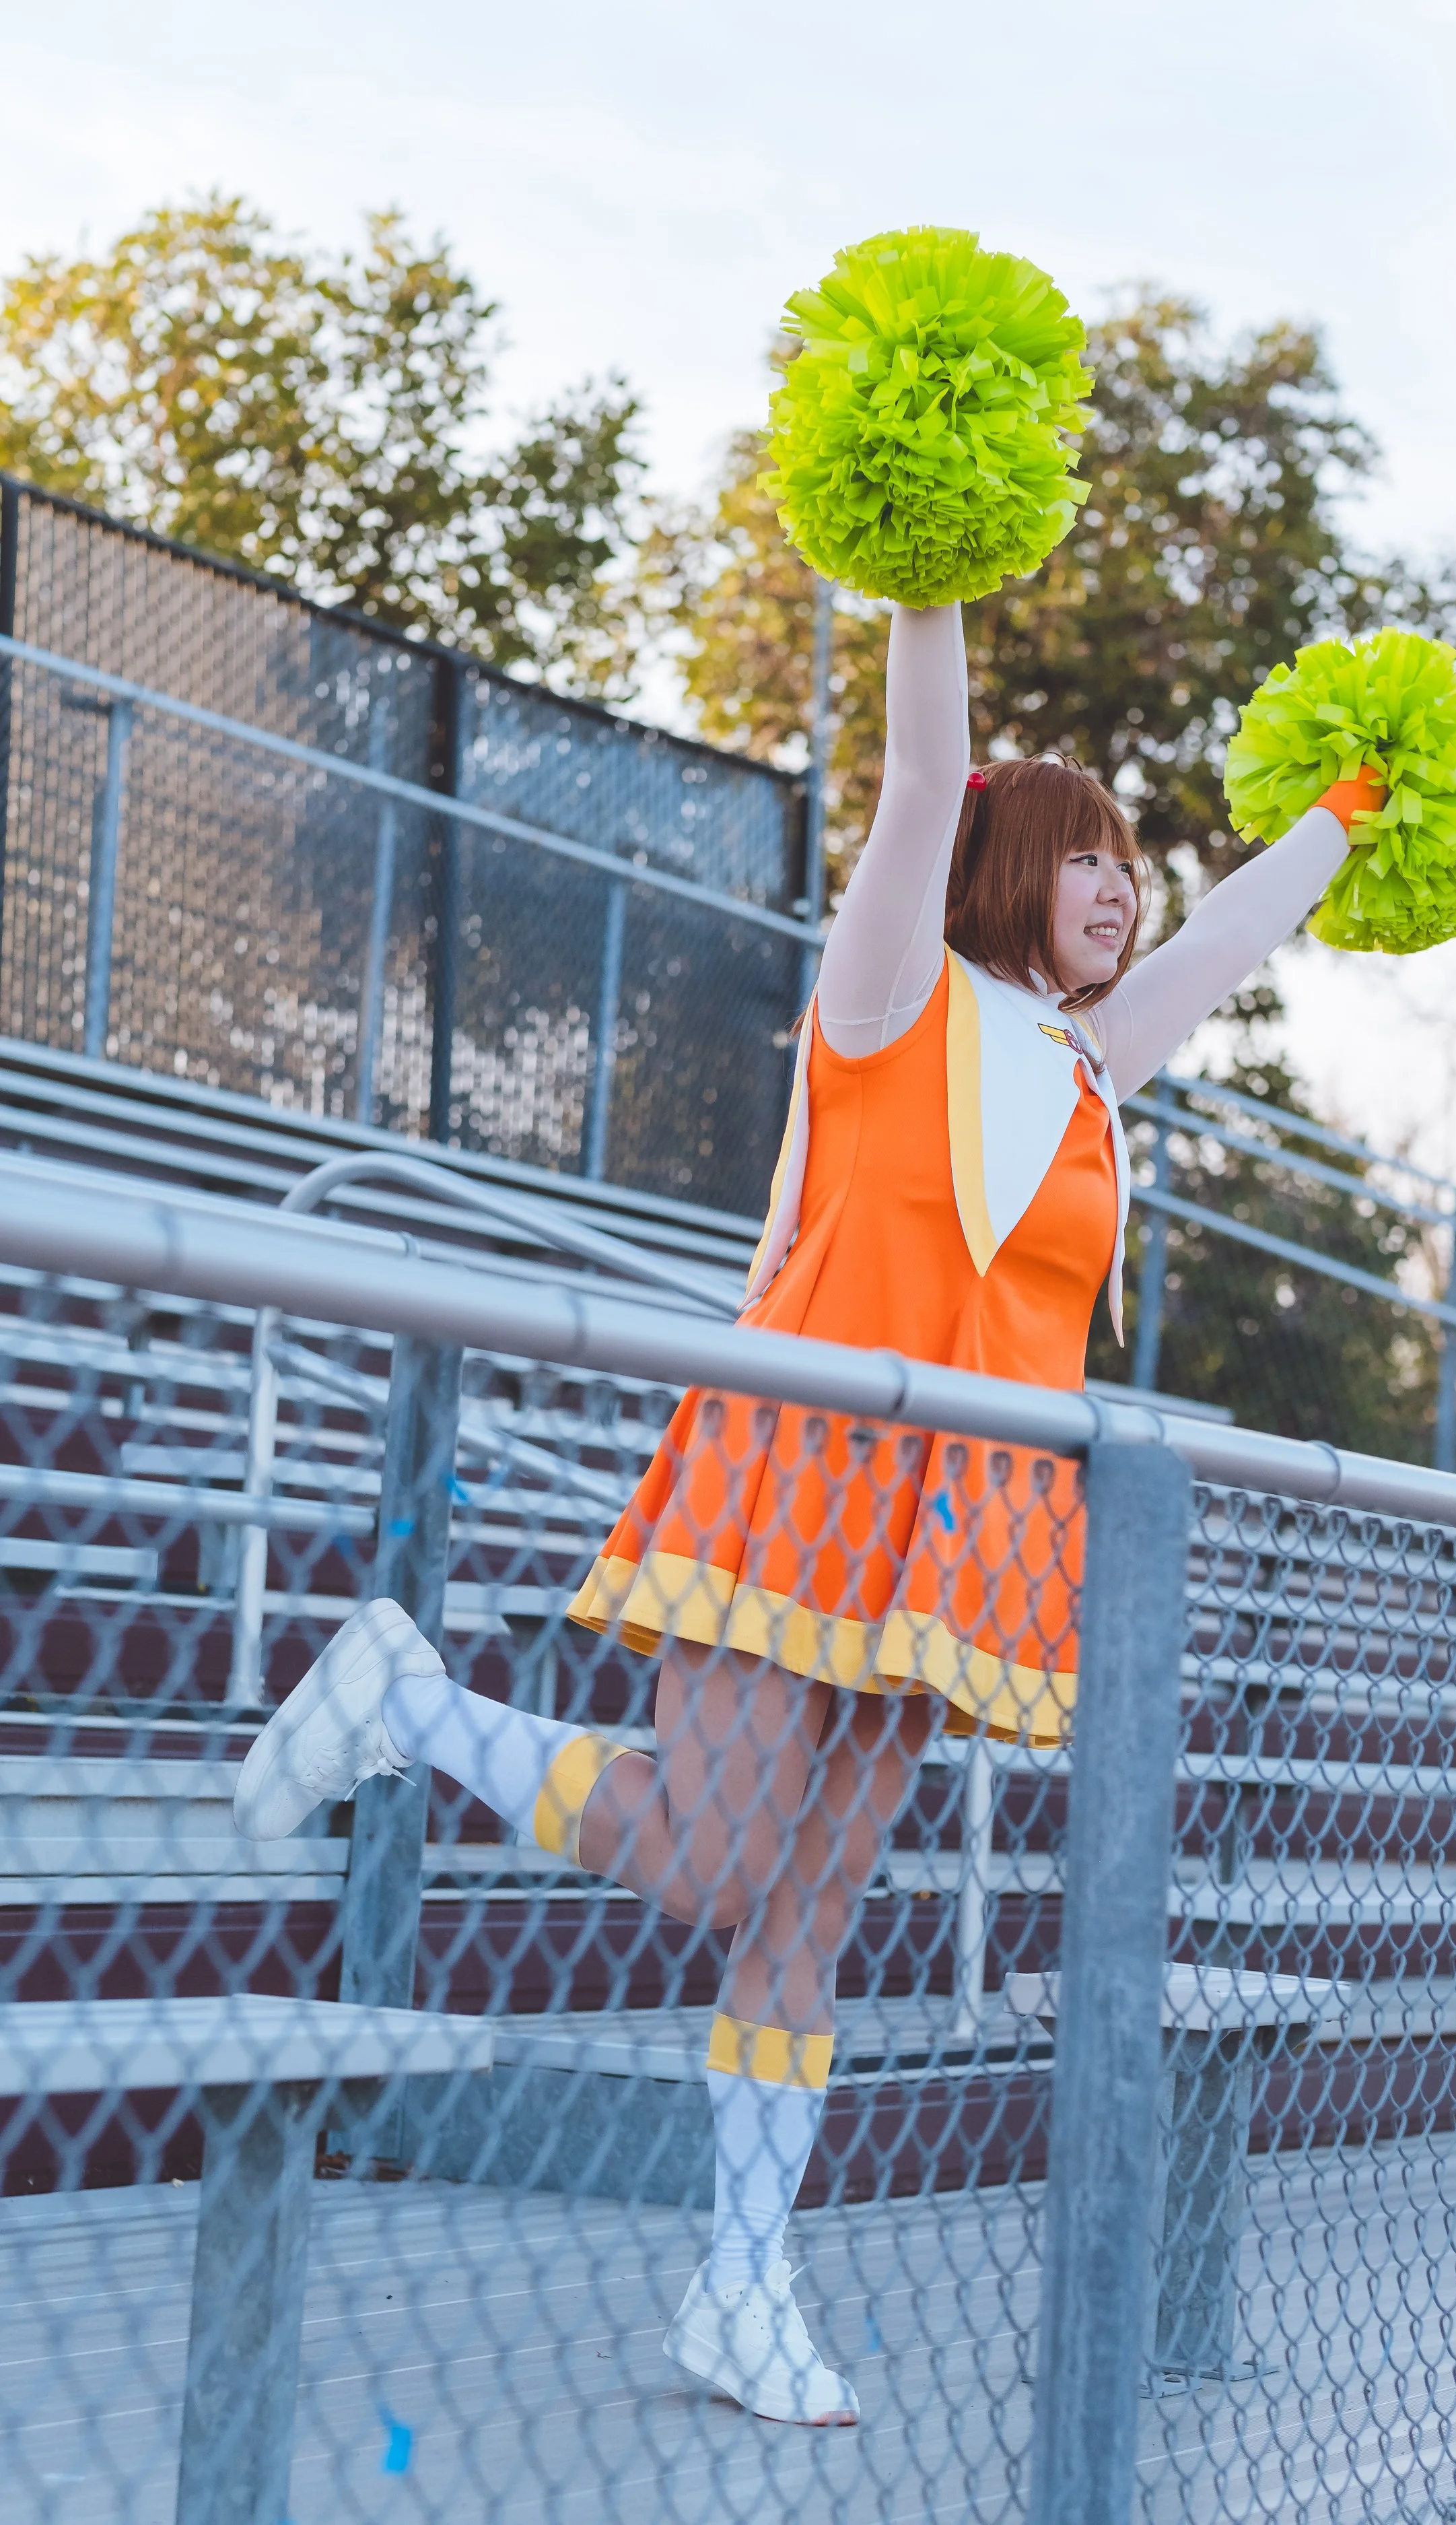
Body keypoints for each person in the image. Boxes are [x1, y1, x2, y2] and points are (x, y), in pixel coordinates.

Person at [234, 599, 1380, 2427]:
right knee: (711, 1859)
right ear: (1007, 867)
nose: (1121, 894)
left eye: (1128, 872)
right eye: (1086, 861)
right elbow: (923, 766)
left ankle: (743, 2282)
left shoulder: (1092, 1073)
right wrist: (926, 580)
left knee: (812, 1912)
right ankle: (405, 1707)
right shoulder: (884, 1004)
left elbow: (1241, 928)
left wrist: (1354, 793)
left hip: (964, 1536)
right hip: (805, 1477)